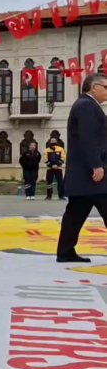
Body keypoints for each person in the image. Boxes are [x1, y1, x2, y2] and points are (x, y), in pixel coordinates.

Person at [56, 73, 107, 263]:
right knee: (75, 215)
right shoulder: (86, 105)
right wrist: (97, 165)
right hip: (92, 174)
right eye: (106, 87)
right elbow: (89, 138)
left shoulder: (85, 105)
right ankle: (65, 251)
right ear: (94, 87)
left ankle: (65, 251)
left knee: (74, 216)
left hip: (83, 176)